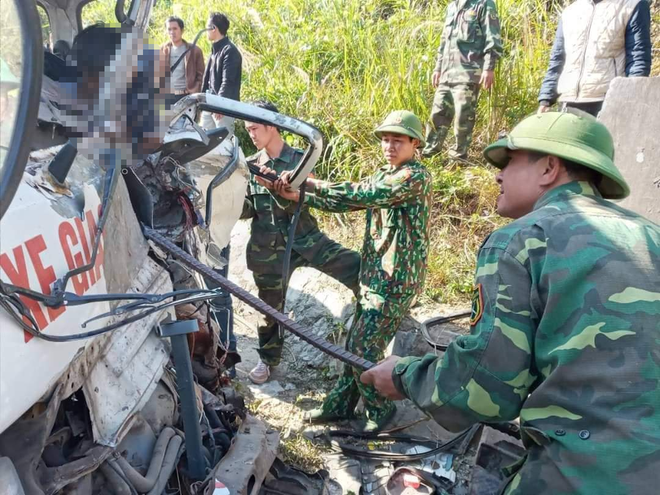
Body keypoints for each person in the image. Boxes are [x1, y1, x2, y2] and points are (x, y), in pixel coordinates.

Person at [361, 111, 660, 493]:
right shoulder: (651, 234)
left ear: (549, 168)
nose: (498, 174)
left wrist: (403, 375)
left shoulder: (523, 239)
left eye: (509, 161)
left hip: (584, 474)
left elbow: (487, 392)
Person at [260, 111, 433, 432]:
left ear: (415, 143)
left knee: (363, 348)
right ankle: (339, 406)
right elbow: (351, 195)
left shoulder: (414, 178)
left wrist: (304, 188)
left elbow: (361, 195)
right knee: (356, 342)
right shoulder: (386, 173)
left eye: (398, 140)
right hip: (375, 274)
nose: (390, 146)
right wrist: (301, 188)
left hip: (394, 282)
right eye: (386, 140)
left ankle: (380, 412)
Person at [241, 100, 362, 384]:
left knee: (356, 267)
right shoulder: (248, 166)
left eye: (256, 128)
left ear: (272, 125)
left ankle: (375, 316)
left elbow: (311, 201)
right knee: (269, 310)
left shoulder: (300, 159)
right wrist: (232, 199)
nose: (252, 134)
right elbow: (248, 210)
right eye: (247, 130)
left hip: (306, 240)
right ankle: (268, 359)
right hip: (267, 248)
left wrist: (283, 190)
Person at [538, 0, 652, 117]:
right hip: (568, 102)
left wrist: (632, 98)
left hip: (609, 100)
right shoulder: (570, 12)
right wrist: (546, 99)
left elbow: (638, 57)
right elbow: (558, 60)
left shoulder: (632, 6)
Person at [422, 0, 502, 161]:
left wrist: (488, 68)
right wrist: (438, 68)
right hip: (447, 73)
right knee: (437, 114)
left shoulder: (484, 5)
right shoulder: (452, 7)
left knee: (462, 117)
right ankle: (430, 155)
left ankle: (458, 158)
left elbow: (492, 38)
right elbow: (444, 41)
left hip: (468, 72)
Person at [200, 12, 242, 133]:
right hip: (210, 104)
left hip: (222, 106)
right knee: (205, 142)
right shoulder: (215, 50)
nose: (206, 30)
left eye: (207, 26)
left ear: (214, 28)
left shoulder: (229, 51)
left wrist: (220, 106)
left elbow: (228, 81)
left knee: (224, 143)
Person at [160, 16, 205, 104]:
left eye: (175, 28)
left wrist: (194, 91)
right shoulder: (162, 50)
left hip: (186, 96)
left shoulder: (194, 50)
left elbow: (201, 75)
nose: (172, 32)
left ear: (182, 30)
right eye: (169, 29)